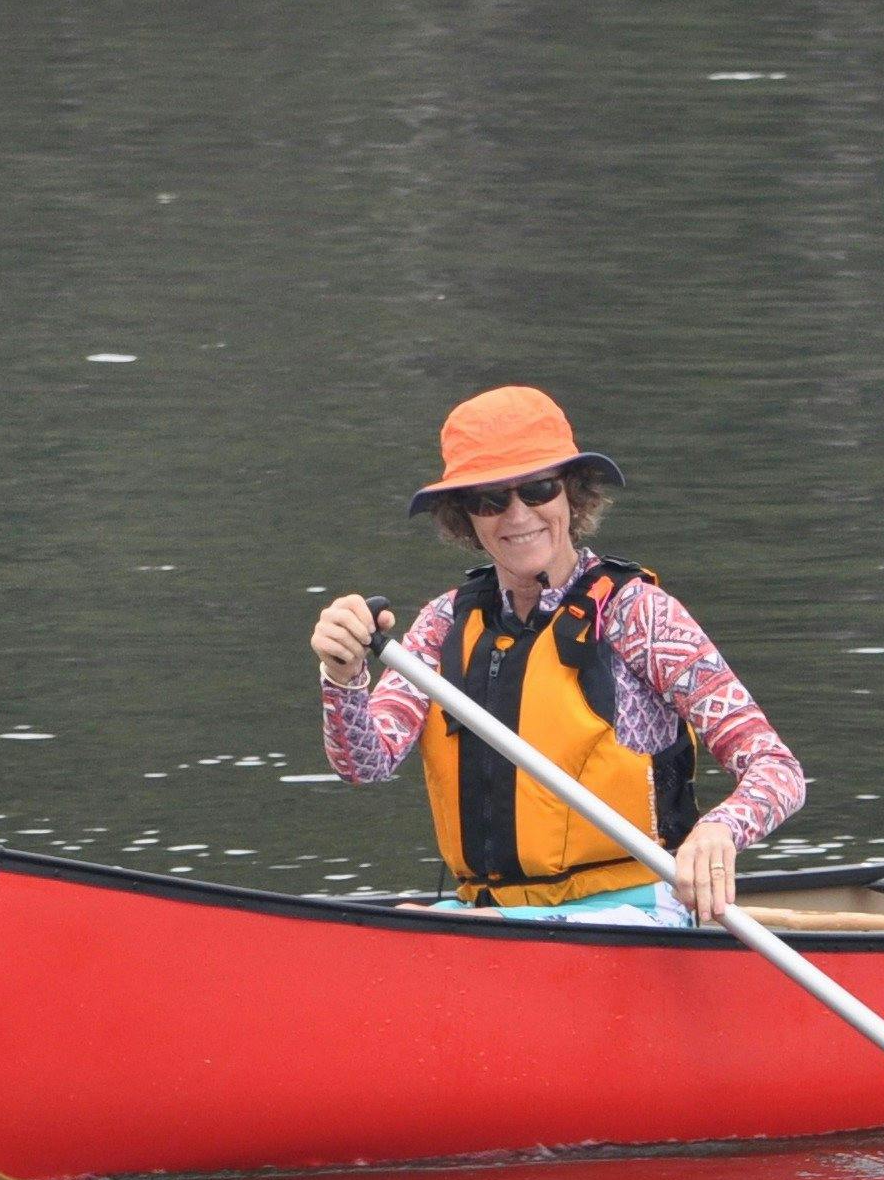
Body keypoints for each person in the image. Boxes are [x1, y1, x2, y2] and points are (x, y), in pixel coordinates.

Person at [309, 386, 806, 925]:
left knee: (425, 929)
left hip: (633, 910)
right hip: (483, 914)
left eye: (538, 489)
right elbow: (364, 763)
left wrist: (719, 830)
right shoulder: (443, 623)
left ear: (571, 494)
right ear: (466, 517)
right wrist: (343, 675)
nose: (517, 515)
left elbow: (777, 770)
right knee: (411, 924)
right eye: (490, 499)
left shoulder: (639, 616)